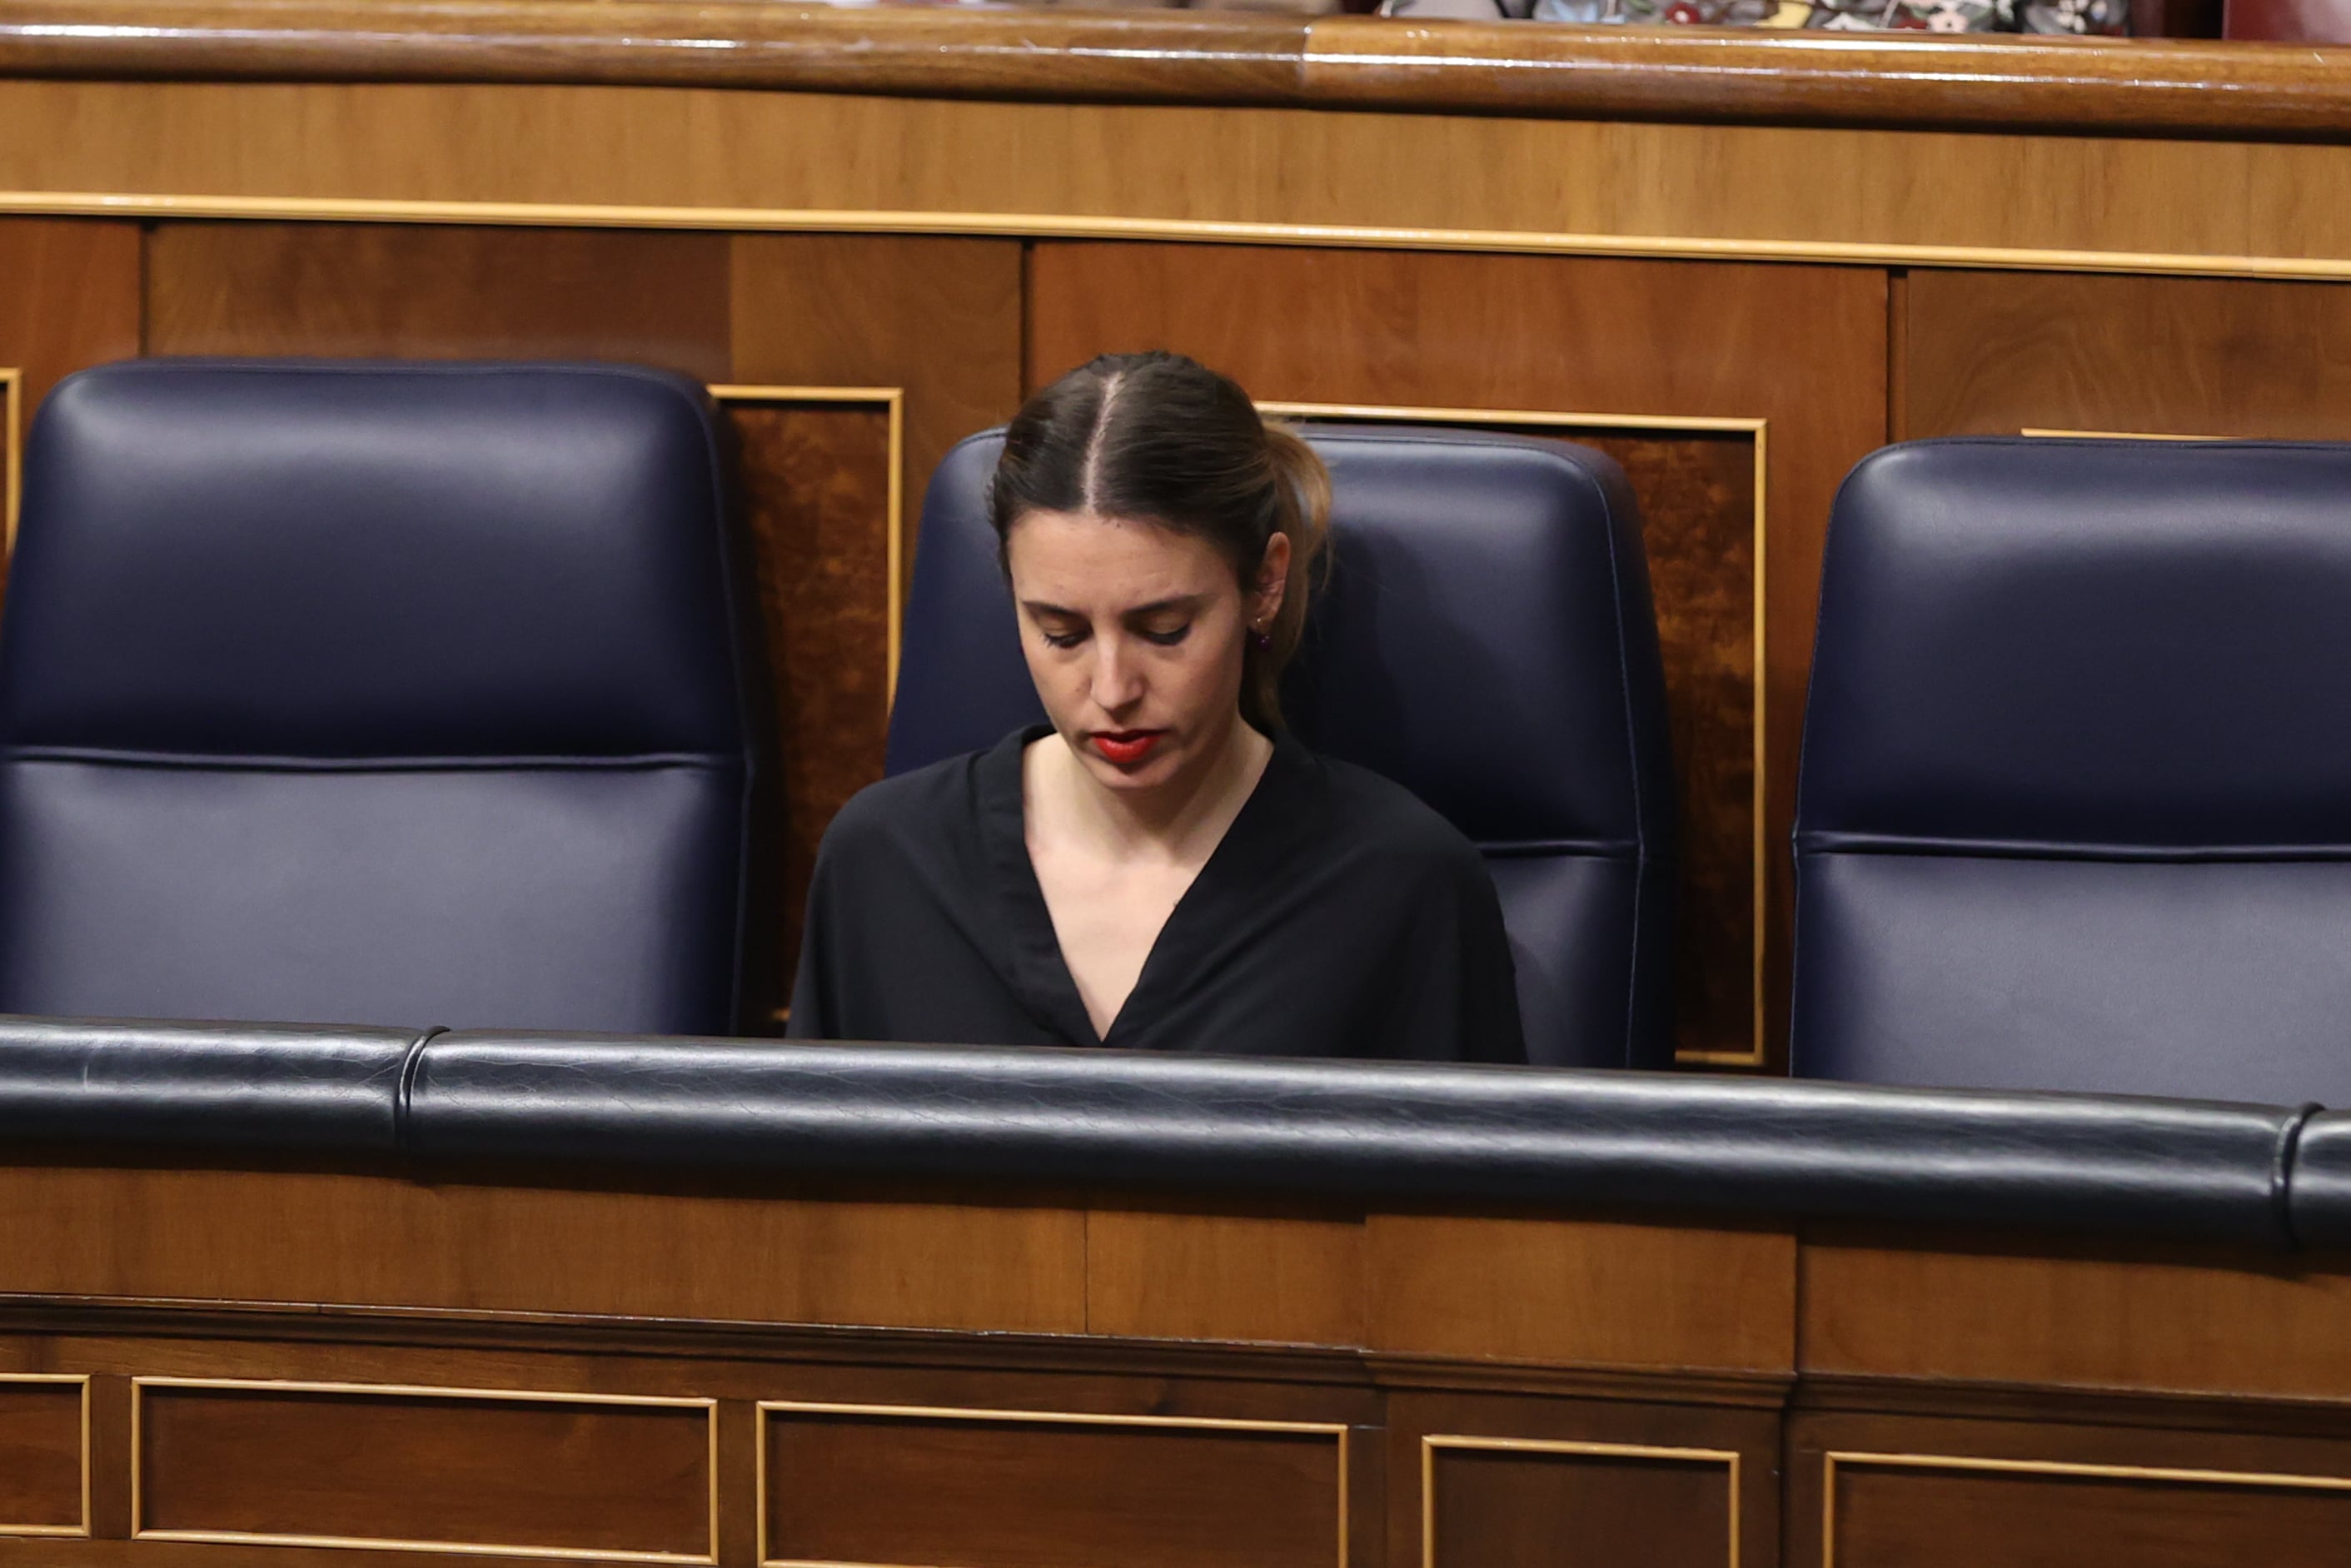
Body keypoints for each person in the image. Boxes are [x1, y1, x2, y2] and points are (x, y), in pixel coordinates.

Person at [787, 351, 1526, 1062]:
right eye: (1061, 633)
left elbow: (1462, 1189)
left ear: (1264, 584)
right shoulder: (882, 862)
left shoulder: (1404, 884)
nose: (1112, 690)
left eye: (1164, 630)